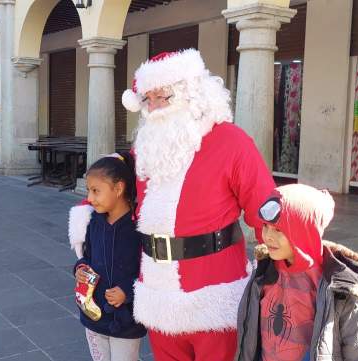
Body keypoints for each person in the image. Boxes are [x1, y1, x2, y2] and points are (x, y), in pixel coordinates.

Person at [69, 49, 276, 360]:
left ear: (192, 93)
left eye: (163, 96)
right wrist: (84, 211)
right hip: (157, 293)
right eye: (147, 99)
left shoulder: (232, 141)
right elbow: (110, 178)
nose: (153, 107)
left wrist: (290, 268)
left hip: (214, 293)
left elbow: (266, 209)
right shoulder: (146, 148)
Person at [235, 184, 358, 361]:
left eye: (278, 230)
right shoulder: (263, 273)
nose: (268, 236)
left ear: (303, 231)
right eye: (265, 226)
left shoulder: (340, 288)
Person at [72, 152, 146, 361]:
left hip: (126, 320)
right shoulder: (94, 222)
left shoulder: (138, 227)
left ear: (119, 188)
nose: (90, 198)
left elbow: (149, 270)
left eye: (96, 191)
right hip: (93, 314)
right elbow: (87, 256)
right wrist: (80, 268)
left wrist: (127, 291)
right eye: (89, 190)